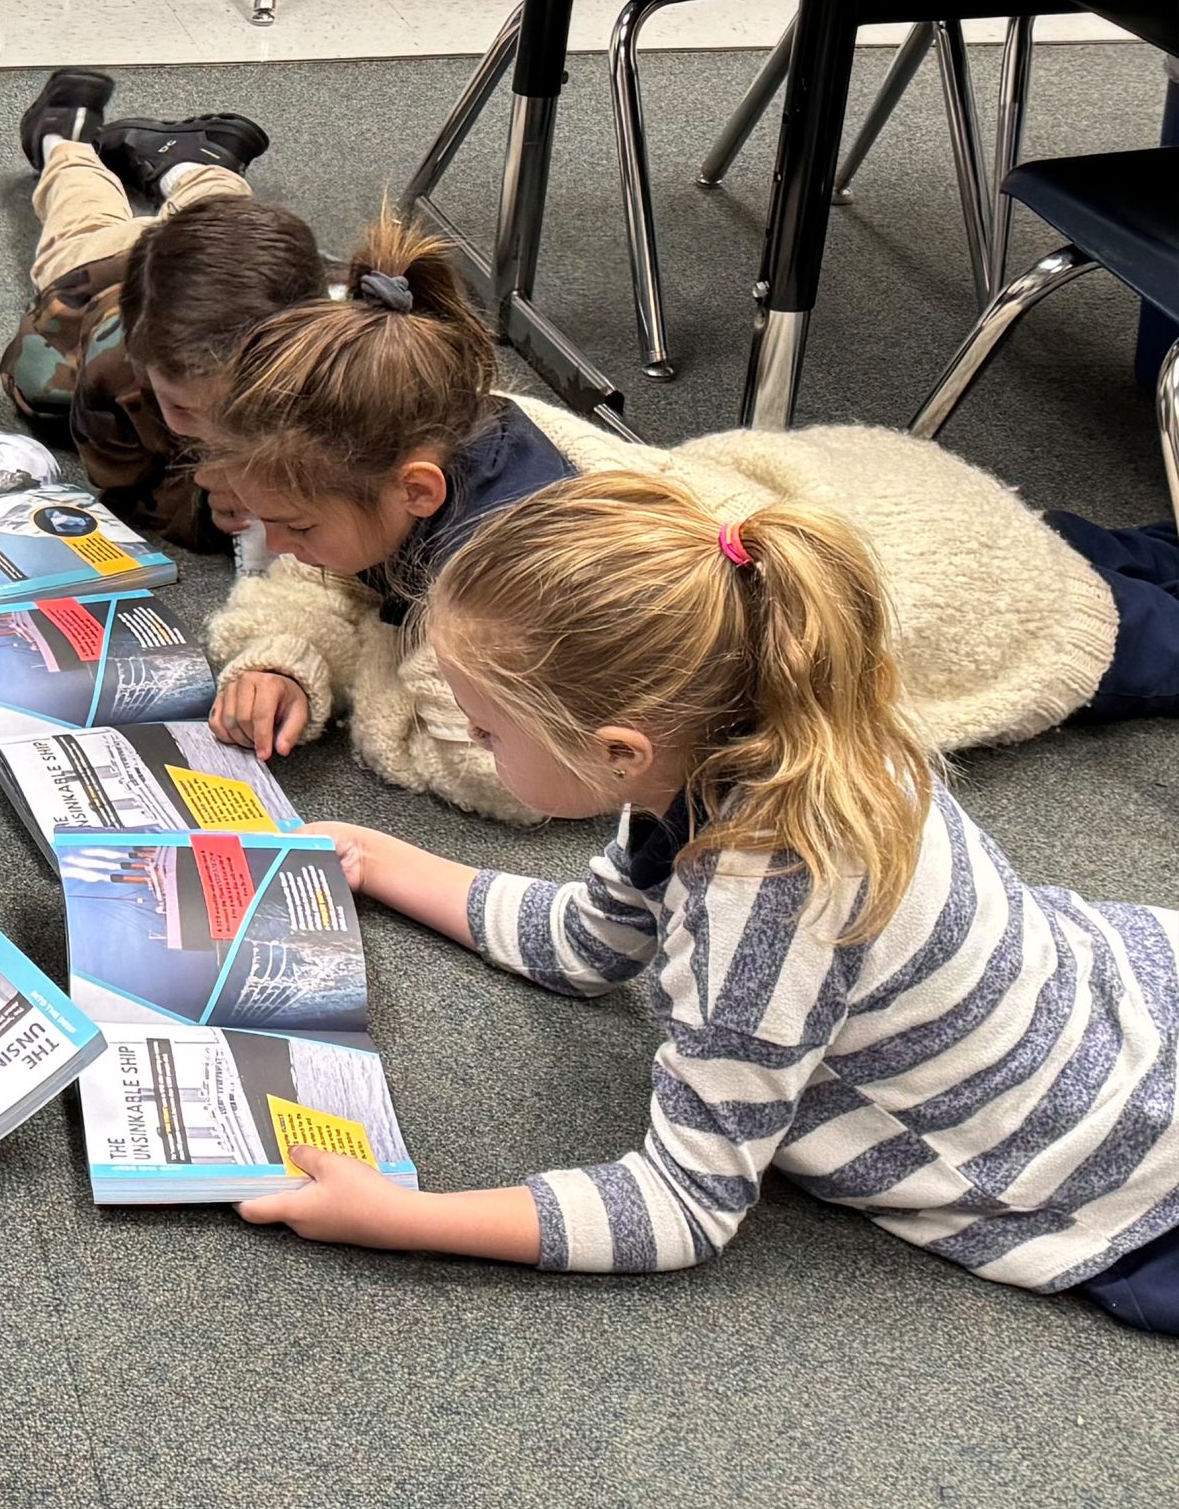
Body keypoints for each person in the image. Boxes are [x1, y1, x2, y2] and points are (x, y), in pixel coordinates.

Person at [241, 472, 1179, 1335]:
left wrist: (404, 1219)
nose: (475, 744)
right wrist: (375, 857)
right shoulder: (750, 733)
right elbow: (587, 943)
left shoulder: (765, 908)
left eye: (487, 729)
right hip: (1097, 1003)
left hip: (1087, 1167)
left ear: (617, 750)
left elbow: (684, 1207)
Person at [201, 212, 1170, 824]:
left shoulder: (510, 605)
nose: (270, 551)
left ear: (414, 489)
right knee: (1105, 554)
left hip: (936, 583)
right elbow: (329, 572)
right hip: (877, 491)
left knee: (1119, 630)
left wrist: (358, 656)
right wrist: (285, 654)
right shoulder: (435, 415)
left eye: (292, 526)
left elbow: (495, 770)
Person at [1, 68, 322, 553]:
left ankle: (194, 164)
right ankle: (64, 140)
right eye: (185, 409)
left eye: (237, 411)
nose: (212, 430)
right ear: (147, 371)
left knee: (221, 211)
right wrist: (203, 505)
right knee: (82, 215)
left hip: (215, 257)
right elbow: (125, 488)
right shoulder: (114, 375)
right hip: (101, 277)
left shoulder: (328, 357)